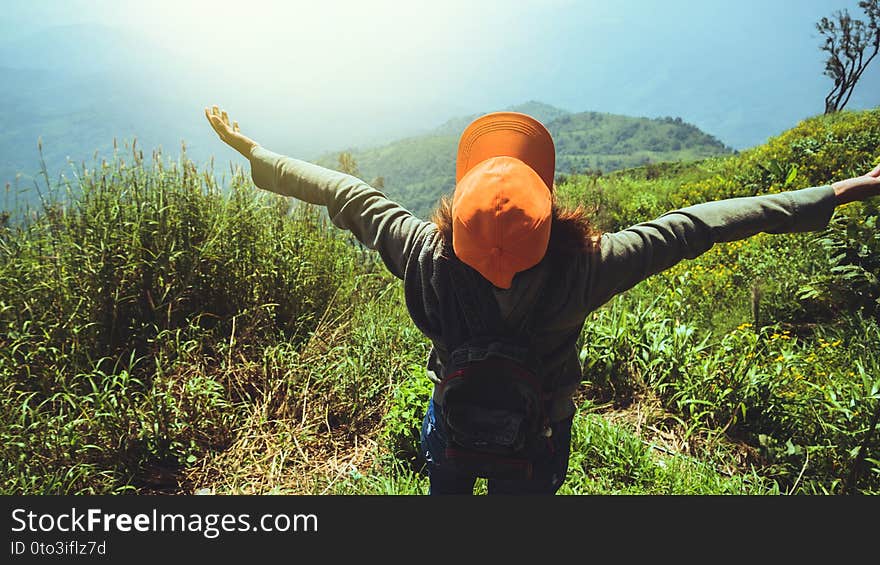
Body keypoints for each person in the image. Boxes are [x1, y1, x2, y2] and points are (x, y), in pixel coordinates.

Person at [205, 104, 880, 495]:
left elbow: (340, 191)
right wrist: (840, 190)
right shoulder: (586, 268)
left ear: (454, 215)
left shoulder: (420, 252)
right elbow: (707, 221)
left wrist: (253, 148)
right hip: (540, 436)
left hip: (453, 419)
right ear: (551, 216)